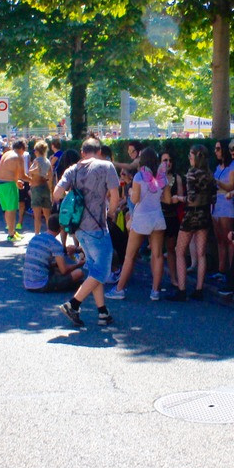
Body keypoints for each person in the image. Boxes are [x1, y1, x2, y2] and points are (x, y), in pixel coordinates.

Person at [54, 138, 121, 328]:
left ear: (82, 152)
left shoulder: (72, 169)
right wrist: (111, 213)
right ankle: (73, 304)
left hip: (78, 229)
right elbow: (115, 197)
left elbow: (57, 194)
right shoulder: (106, 166)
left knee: (94, 270)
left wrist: (73, 197)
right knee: (103, 271)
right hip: (97, 227)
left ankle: (102, 312)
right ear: (99, 152)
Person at [107, 148, 170, 301]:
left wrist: (130, 194)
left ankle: (119, 289)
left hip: (141, 218)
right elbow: (167, 200)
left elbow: (135, 200)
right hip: (157, 217)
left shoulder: (138, 177)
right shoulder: (162, 177)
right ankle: (155, 291)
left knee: (130, 255)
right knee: (157, 255)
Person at [168, 144, 215, 302]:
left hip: (191, 215)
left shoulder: (191, 174)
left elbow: (191, 198)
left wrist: (178, 198)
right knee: (201, 253)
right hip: (205, 214)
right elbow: (213, 198)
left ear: (196, 157)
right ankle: (199, 289)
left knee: (179, 250)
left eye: (190, 155)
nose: (189, 158)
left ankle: (181, 289)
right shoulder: (209, 174)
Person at [24, 215, 86, 292]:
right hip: (41, 284)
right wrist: (78, 264)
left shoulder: (35, 238)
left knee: (57, 269)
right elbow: (64, 270)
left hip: (27, 281)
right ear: (61, 227)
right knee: (79, 273)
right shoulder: (55, 244)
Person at [211, 138, 234, 280]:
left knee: (228, 238)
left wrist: (215, 181)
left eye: (218, 149)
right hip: (216, 203)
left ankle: (232, 271)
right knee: (219, 238)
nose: (216, 152)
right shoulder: (218, 167)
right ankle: (221, 269)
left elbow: (231, 186)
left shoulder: (233, 166)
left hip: (227, 203)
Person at [159, 150, 185, 288]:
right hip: (158, 216)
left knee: (171, 249)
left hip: (172, 217)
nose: (168, 163)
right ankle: (156, 281)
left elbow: (180, 197)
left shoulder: (177, 177)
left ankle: (174, 278)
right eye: (164, 160)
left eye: (169, 160)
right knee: (156, 251)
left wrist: (171, 199)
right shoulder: (155, 177)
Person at [0, 140, 28, 242]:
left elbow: (6, 171)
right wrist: (34, 180)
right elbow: (23, 176)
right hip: (8, 185)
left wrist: (16, 181)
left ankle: (12, 231)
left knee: (8, 209)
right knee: (12, 210)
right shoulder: (19, 157)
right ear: (22, 149)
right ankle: (11, 234)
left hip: (0, 184)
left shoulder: (6, 154)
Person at [27, 140, 54, 235]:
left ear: (37, 151)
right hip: (45, 187)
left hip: (36, 187)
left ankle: (36, 234)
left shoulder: (36, 160)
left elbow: (32, 171)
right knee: (47, 214)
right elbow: (50, 175)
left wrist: (32, 171)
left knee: (37, 215)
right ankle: (50, 234)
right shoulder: (47, 161)